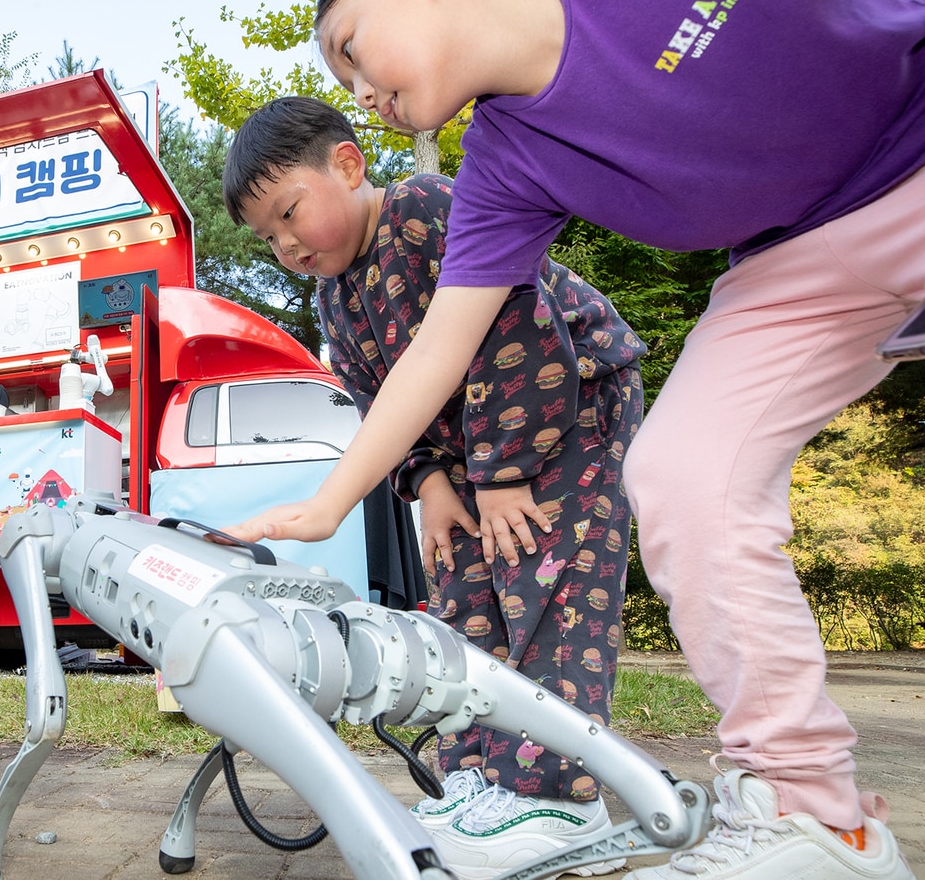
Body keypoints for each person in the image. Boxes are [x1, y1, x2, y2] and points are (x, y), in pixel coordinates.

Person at [227, 0, 925, 878]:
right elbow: (441, 349)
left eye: (353, 50)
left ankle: (554, 790)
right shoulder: (501, 163)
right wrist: (332, 502)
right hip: (798, 260)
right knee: (683, 475)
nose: (360, 90)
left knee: (556, 583)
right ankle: (817, 815)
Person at [223, 95, 645, 878]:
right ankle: (479, 780)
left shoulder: (422, 208)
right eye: (266, 236)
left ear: (348, 165)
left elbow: (521, 326)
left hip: (569, 414)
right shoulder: (333, 299)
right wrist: (429, 481)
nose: (284, 243)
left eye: (289, 212)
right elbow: (378, 401)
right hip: (475, 464)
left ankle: (560, 795)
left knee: (548, 593)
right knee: (461, 602)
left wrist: (505, 469)